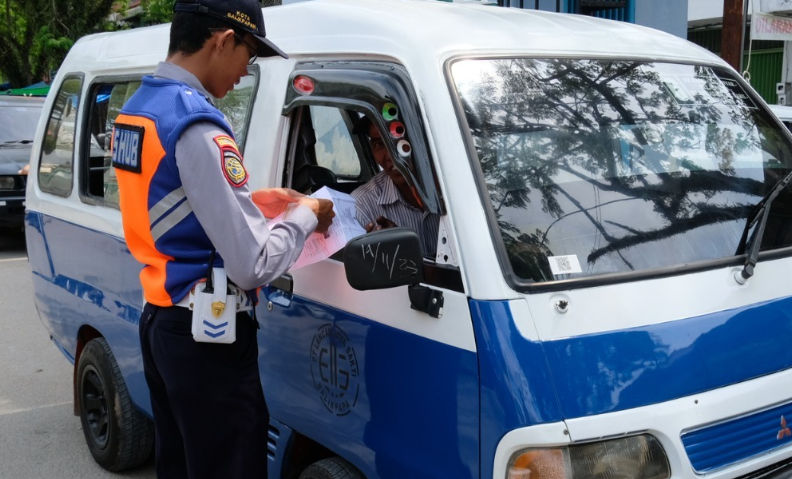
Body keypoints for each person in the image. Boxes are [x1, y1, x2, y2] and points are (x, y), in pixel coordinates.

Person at [111, 1, 334, 477]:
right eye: (248, 55)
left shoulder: (138, 110)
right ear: (223, 40)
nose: (243, 72)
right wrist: (306, 214)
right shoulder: (196, 123)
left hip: (162, 321)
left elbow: (169, 200)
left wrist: (250, 201)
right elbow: (251, 264)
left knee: (182, 464)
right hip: (207, 339)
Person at [352, 118, 439, 257]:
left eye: (400, 140)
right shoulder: (361, 207)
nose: (392, 156)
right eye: (379, 144)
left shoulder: (454, 188)